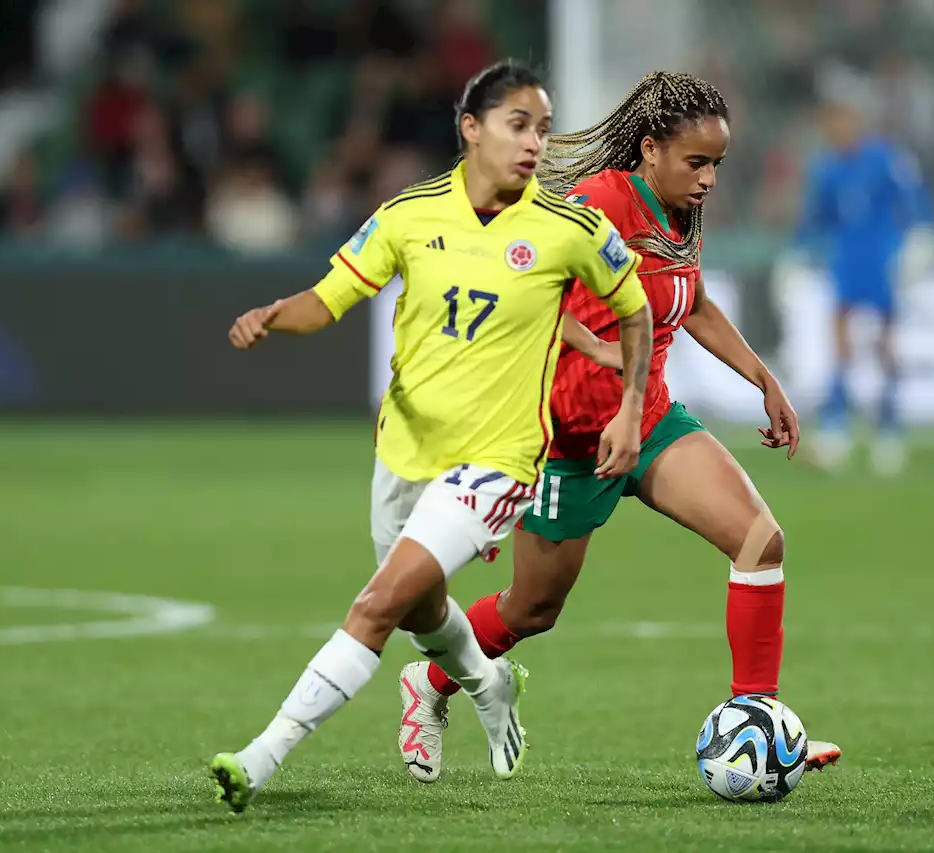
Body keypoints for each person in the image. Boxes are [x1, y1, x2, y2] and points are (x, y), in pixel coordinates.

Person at [209, 60, 654, 812]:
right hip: (405, 449)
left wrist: (632, 403)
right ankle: (489, 680)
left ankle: (260, 756)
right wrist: (272, 314)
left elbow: (635, 309)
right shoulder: (409, 214)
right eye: (520, 124)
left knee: (379, 603)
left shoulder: (571, 227)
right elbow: (331, 298)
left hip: (499, 461)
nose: (535, 143)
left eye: (543, 128)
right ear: (471, 130)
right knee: (420, 607)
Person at [394, 71, 840, 784]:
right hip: (569, 443)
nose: (709, 181)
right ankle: (431, 683)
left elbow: (688, 302)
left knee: (760, 540)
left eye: (717, 165)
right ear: (650, 148)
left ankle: (758, 724)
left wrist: (762, 376)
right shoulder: (595, 207)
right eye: (696, 163)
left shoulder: (678, 216)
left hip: (650, 421)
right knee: (531, 609)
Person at [789, 82, 934, 475]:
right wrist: (796, 254)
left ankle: (889, 429)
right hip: (846, 260)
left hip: (882, 259)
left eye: (840, 118)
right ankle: (836, 428)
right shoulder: (827, 167)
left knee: (884, 342)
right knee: (839, 341)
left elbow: (915, 203)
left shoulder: (886, 159)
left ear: (857, 119)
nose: (834, 127)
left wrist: (920, 238)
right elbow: (815, 219)